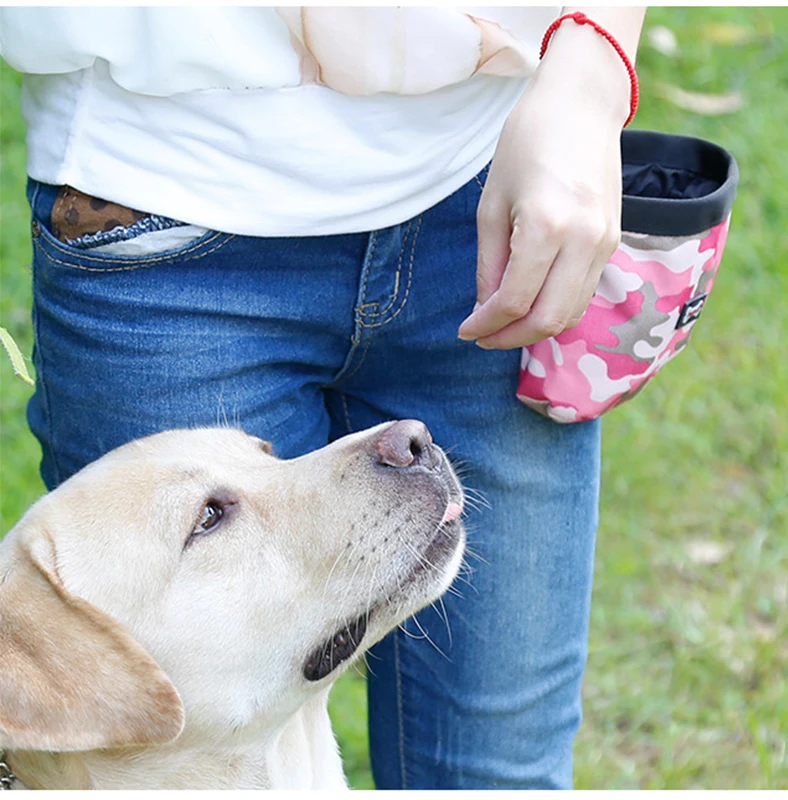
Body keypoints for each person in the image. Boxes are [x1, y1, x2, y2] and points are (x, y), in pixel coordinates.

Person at [0, 6, 645, 789]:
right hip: (158, 198)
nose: (399, 442)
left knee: (499, 775)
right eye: (212, 515)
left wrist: (588, 78)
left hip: (495, 179)